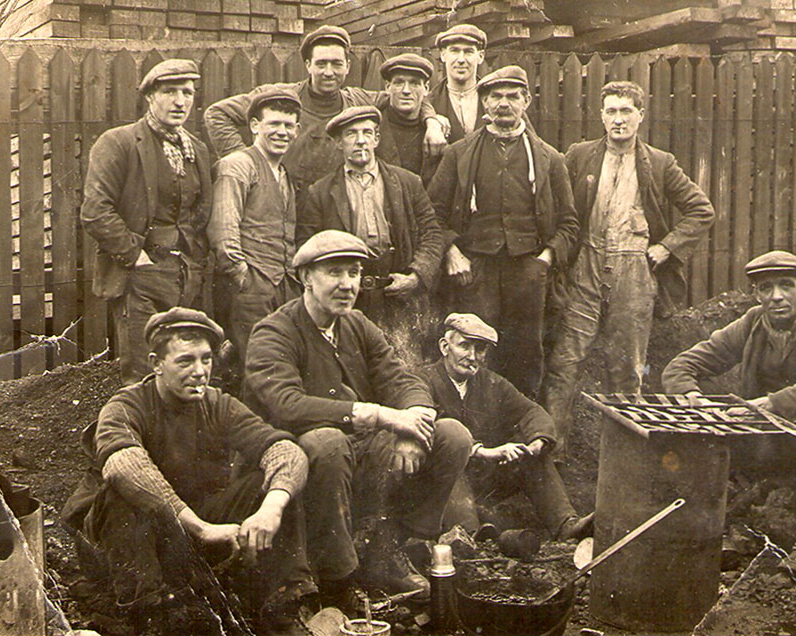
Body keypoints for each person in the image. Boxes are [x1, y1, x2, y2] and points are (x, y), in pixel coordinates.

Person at [243, 230, 472, 599]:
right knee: (327, 442)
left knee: (452, 436)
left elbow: (401, 377)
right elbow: (288, 405)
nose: (348, 284)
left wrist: (413, 422)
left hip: (358, 450)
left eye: (354, 273)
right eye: (335, 272)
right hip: (294, 463)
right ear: (305, 278)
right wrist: (381, 416)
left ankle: (389, 547)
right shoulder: (274, 332)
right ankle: (339, 576)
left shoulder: (356, 324)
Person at [62, 308, 316, 635]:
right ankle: (149, 616)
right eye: (185, 361)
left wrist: (271, 508)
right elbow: (123, 467)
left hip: (191, 530)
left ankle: (283, 608)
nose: (199, 372)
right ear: (156, 364)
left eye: (206, 359)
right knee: (125, 493)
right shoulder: (126, 405)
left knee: (274, 485)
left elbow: (284, 450)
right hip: (122, 544)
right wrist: (201, 529)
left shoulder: (218, 403)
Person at [541, 80, 715, 460]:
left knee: (626, 370)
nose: (618, 120)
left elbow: (701, 210)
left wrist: (666, 247)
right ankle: (551, 455)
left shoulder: (660, 162)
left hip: (634, 270)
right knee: (564, 361)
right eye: (611, 112)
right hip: (584, 266)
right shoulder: (579, 155)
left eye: (626, 111)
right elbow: (554, 202)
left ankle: (623, 458)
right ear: (601, 116)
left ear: (641, 115)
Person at [662, 250, 796, 543]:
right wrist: (692, 395)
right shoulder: (752, 323)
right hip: (773, 438)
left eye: (786, 285)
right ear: (756, 294)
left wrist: (773, 403)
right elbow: (682, 365)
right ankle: (721, 521)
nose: (776, 296)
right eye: (766, 288)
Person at [428, 65, 578, 399]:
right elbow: (431, 215)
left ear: (526, 100)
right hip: (475, 272)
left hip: (528, 272)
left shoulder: (549, 159)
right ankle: (476, 437)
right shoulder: (459, 154)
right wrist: (452, 252)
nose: (503, 104)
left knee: (526, 356)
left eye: (513, 96)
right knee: (473, 355)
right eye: (495, 96)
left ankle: (523, 439)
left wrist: (545, 259)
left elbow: (570, 223)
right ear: (484, 102)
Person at [81, 59, 211, 385]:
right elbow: (95, 211)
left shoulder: (197, 149)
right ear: (150, 96)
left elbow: (201, 211)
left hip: (185, 275)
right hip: (139, 275)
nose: (180, 101)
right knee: (142, 372)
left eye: (187, 92)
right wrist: (136, 257)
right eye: (170, 91)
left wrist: (193, 259)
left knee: (182, 371)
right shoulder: (120, 142)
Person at [203, 25, 447, 197]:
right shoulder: (279, 97)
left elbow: (403, 97)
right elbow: (216, 114)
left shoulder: (359, 100)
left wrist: (432, 121)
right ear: (308, 65)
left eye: (336, 64)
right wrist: (250, 163)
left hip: (337, 205)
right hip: (286, 200)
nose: (328, 72)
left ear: (347, 66)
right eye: (321, 64)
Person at [415, 313, 594, 540]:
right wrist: (485, 452)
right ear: (444, 346)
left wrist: (536, 442)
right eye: (464, 346)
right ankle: (470, 533)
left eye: (480, 350)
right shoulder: (423, 380)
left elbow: (531, 411)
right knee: (451, 463)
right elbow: (428, 429)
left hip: (482, 479)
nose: (472, 356)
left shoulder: (491, 383)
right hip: (440, 482)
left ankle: (565, 524)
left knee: (531, 453)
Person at [296, 106, 443, 365]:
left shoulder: (408, 182)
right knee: (352, 369)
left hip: (399, 297)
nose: (361, 140)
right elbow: (306, 245)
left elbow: (432, 233)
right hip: (348, 299)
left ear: (377, 139)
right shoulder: (320, 193)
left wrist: (417, 276)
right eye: (351, 134)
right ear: (339, 143)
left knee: (405, 369)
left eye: (367, 133)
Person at [208, 86, 302, 380]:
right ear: (254, 126)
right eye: (273, 124)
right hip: (251, 289)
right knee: (260, 369)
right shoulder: (238, 165)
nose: (281, 132)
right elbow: (224, 231)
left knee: (282, 363)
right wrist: (243, 278)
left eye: (288, 125)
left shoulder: (284, 173)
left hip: (283, 285)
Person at [376, 53, 441, 186]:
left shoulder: (435, 132)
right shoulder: (373, 128)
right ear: (388, 88)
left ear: (426, 89)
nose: (406, 91)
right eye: (399, 83)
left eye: (414, 83)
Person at [429, 24, 487, 143]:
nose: (461, 60)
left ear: (480, 57)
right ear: (443, 55)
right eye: (454, 51)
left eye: (468, 52)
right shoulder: (430, 102)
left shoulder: (496, 96)